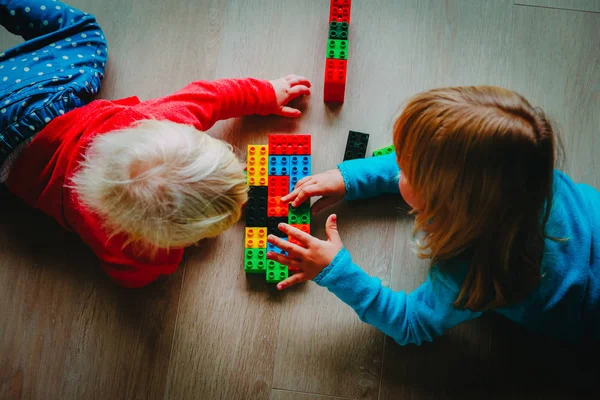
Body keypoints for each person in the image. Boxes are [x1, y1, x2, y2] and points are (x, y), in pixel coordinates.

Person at [1, 1, 311, 288]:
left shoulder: (166, 119)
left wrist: (267, 93)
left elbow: (213, 95)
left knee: (87, 36)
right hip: (18, 129)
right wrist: (173, 252)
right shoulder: (132, 251)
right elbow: (131, 279)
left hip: (33, 96)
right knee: (86, 38)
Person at [267, 86, 600, 345]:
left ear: (447, 208)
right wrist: (352, 177)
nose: (399, 169)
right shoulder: (518, 164)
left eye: (409, 169)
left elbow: (410, 323)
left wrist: (336, 269)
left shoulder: (466, 273)